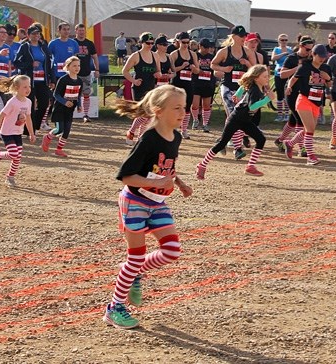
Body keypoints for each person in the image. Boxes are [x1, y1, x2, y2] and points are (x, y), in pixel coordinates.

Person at [104, 85, 193, 329]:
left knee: (172, 251)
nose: (182, 112)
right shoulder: (149, 138)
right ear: (158, 110)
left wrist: (178, 182)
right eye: (176, 108)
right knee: (135, 258)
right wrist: (158, 182)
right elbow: (126, 176)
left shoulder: (176, 136)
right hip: (134, 202)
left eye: (184, 107)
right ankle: (114, 308)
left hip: (157, 202)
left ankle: (132, 272)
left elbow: (164, 167)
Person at [196, 65, 274, 179]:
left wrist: (237, 93)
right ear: (256, 78)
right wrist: (267, 99)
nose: (267, 78)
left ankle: (250, 167)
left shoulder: (256, 85)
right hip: (236, 118)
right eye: (265, 76)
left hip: (245, 120)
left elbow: (244, 85)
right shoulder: (255, 90)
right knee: (222, 143)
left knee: (261, 139)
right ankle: (202, 165)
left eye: (268, 76)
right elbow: (252, 107)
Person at [210, 25, 256, 159]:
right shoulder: (225, 52)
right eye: (242, 36)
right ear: (234, 37)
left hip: (242, 89)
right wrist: (224, 69)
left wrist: (247, 64)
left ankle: (222, 141)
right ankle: (237, 148)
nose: (244, 38)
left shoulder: (247, 52)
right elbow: (213, 64)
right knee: (235, 114)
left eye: (245, 36)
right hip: (228, 87)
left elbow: (256, 70)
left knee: (236, 117)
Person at [283, 44, 332, 165]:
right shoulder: (305, 67)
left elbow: (329, 85)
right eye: (320, 56)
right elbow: (293, 79)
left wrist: (328, 79)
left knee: (308, 130)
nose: (322, 59)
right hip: (304, 100)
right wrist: (289, 87)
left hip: (316, 102)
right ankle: (310, 156)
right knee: (310, 130)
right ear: (313, 54)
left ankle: (289, 143)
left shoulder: (325, 68)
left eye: (324, 56)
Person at [0, 75, 36, 187]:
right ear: (16, 88)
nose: (28, 89)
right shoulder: (12, 102)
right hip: (7, 132)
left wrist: (32, 133)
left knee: (17, 157)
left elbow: (28, 118)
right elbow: (1, 116)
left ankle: (10, 177)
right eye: (24, 87)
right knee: (14, 154)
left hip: (18, 132)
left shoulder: (28, 102)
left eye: (29, 86)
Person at [274, 35, 314, 156]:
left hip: (305, 93)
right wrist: (298, 68)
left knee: (293, 120)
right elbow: (282, 74)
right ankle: (302, 148)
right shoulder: (291, 58)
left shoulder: (311, 59)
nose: (309, 52)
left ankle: (280, 140)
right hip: (292, 92)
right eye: (307, 49)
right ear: (301, 46)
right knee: (300, 120)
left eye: (311, 50)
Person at [13, 25, 55, 133]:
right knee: (29, 104)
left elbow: (50, 64)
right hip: (29, 81)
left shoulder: (44, 47)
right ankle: (28, 130)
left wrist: (52, 80)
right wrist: (30, 64)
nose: (36, 36)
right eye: (33, 34)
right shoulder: (24, 47)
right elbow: (16, 62)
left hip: (42, 80)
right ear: (28, 35)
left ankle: (35, 125)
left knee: (44, 103)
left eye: (38, 33)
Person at [123, 32, 162, 145]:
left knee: (148, 115)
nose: (150, 45)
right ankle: (132, 131)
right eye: (147, 43)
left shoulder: (155, 56)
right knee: (145, 114)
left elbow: (158, 71)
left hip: (151, 88)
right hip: (139, 87)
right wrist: (134, 81)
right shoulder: (136, 56)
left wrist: (158, 74)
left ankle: (140, 137)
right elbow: (125, 71)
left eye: (151, 43)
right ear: (141, 43)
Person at [41, 56, 83, 157]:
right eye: (74, 66)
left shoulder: (80, 81)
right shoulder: (63, 79)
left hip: (70, 110)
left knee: (67, 130)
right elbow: (56, 94)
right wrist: (64, 102)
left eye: (78, 65)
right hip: (60, 108)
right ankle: (47, 138)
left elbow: (78, 95)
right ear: (67, 67)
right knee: (60, 129)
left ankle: (59, 149)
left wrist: (79, 105)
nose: (77, 68)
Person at [169, 31, 198, 139]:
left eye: (187, 42)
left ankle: (184, 129)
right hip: (177, 83)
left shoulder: (193, 54)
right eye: (183, 42)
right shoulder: (174, 54)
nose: (186, 44)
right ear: (178, 42)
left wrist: (194, 69)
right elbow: (171, 70)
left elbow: (198, 70)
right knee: (175, 106)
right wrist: (181, 66)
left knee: (187, 107)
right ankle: (173, 127)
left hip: (189, 83)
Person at [74, 23, 100, 123]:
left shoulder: (90, 43)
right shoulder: (73, 43)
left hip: (86, 72)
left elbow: (95, 57)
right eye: (79, 30)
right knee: (73, 94)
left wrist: (97, 69)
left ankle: (85, 114)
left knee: (86, 93)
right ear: (76, 31)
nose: (81, 32)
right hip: (74, 73)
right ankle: (70, 112)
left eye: (83, 30)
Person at [191, 38, 216, 133]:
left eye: (208, 47)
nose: (206, 49)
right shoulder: (195, 55)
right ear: (200, 46)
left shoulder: (212, 56)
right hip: (196, 83)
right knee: (195, 104)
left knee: (206, 105)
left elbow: (214, 69)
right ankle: (196, 120)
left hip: (208, 83)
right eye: (205, 47)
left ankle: (205, 124)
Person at [271, 33, 293, 122]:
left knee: (286, 93)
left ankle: (287, 114)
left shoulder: (290, 50)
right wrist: (283, 54)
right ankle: (280, 114)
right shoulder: (276, 49)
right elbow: (273, 58)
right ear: (279, 41)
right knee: (279, 94)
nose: (284, 42)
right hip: (278, 73)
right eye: (282, 40)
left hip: (287, 73)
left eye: (285, 40)